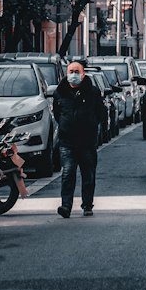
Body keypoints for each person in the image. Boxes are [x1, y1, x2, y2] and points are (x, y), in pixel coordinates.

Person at [52, 60, 107, 218]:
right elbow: (57, 113)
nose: (73, 75)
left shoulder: (92, 92)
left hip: (87, 142)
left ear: (83, 74)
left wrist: (92, 126)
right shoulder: (60, 92)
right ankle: (66, 205)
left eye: (77, 72)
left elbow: (100, 112)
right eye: (71, 72)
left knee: (88, 174)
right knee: (68, 173)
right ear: (66, 73)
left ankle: (87, 205)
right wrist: (65, 125)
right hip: (67, 142)